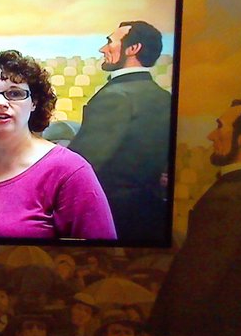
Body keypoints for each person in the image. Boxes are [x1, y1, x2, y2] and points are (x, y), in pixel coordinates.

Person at [0, 50, 116, 239]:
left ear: (34, 102)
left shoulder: (70, 171)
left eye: (15, 93)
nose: (0, 103)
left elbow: (102, 255)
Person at [148, 99, 241, 336]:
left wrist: (165, 334)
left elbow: (198, 278)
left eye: (220, 126)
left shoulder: (228, 198)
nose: (211, 136)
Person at [68, 21, 171, 243]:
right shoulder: (163, 97)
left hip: (112, 215)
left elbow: (81, 163)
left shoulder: (115, 96)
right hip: (149, 216)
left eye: (110, 42)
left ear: (133, 49)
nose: (102, 49)